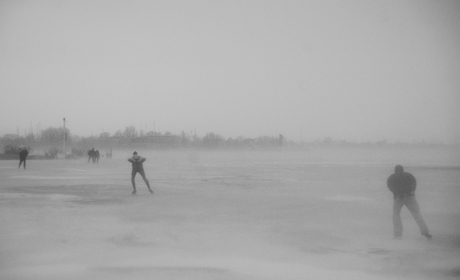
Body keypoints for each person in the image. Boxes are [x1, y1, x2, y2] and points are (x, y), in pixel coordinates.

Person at [387, 165, 432, 240]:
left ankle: (397, 235)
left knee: (396, 215)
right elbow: (414, 183)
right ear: (403, 169)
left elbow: (390, 186)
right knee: (417, 214)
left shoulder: (392, 177)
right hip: (410, 196)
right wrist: (411, 191)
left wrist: (396, 193)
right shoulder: (409, 175)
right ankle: (425, 232)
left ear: (395, 170)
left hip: (398, 198)